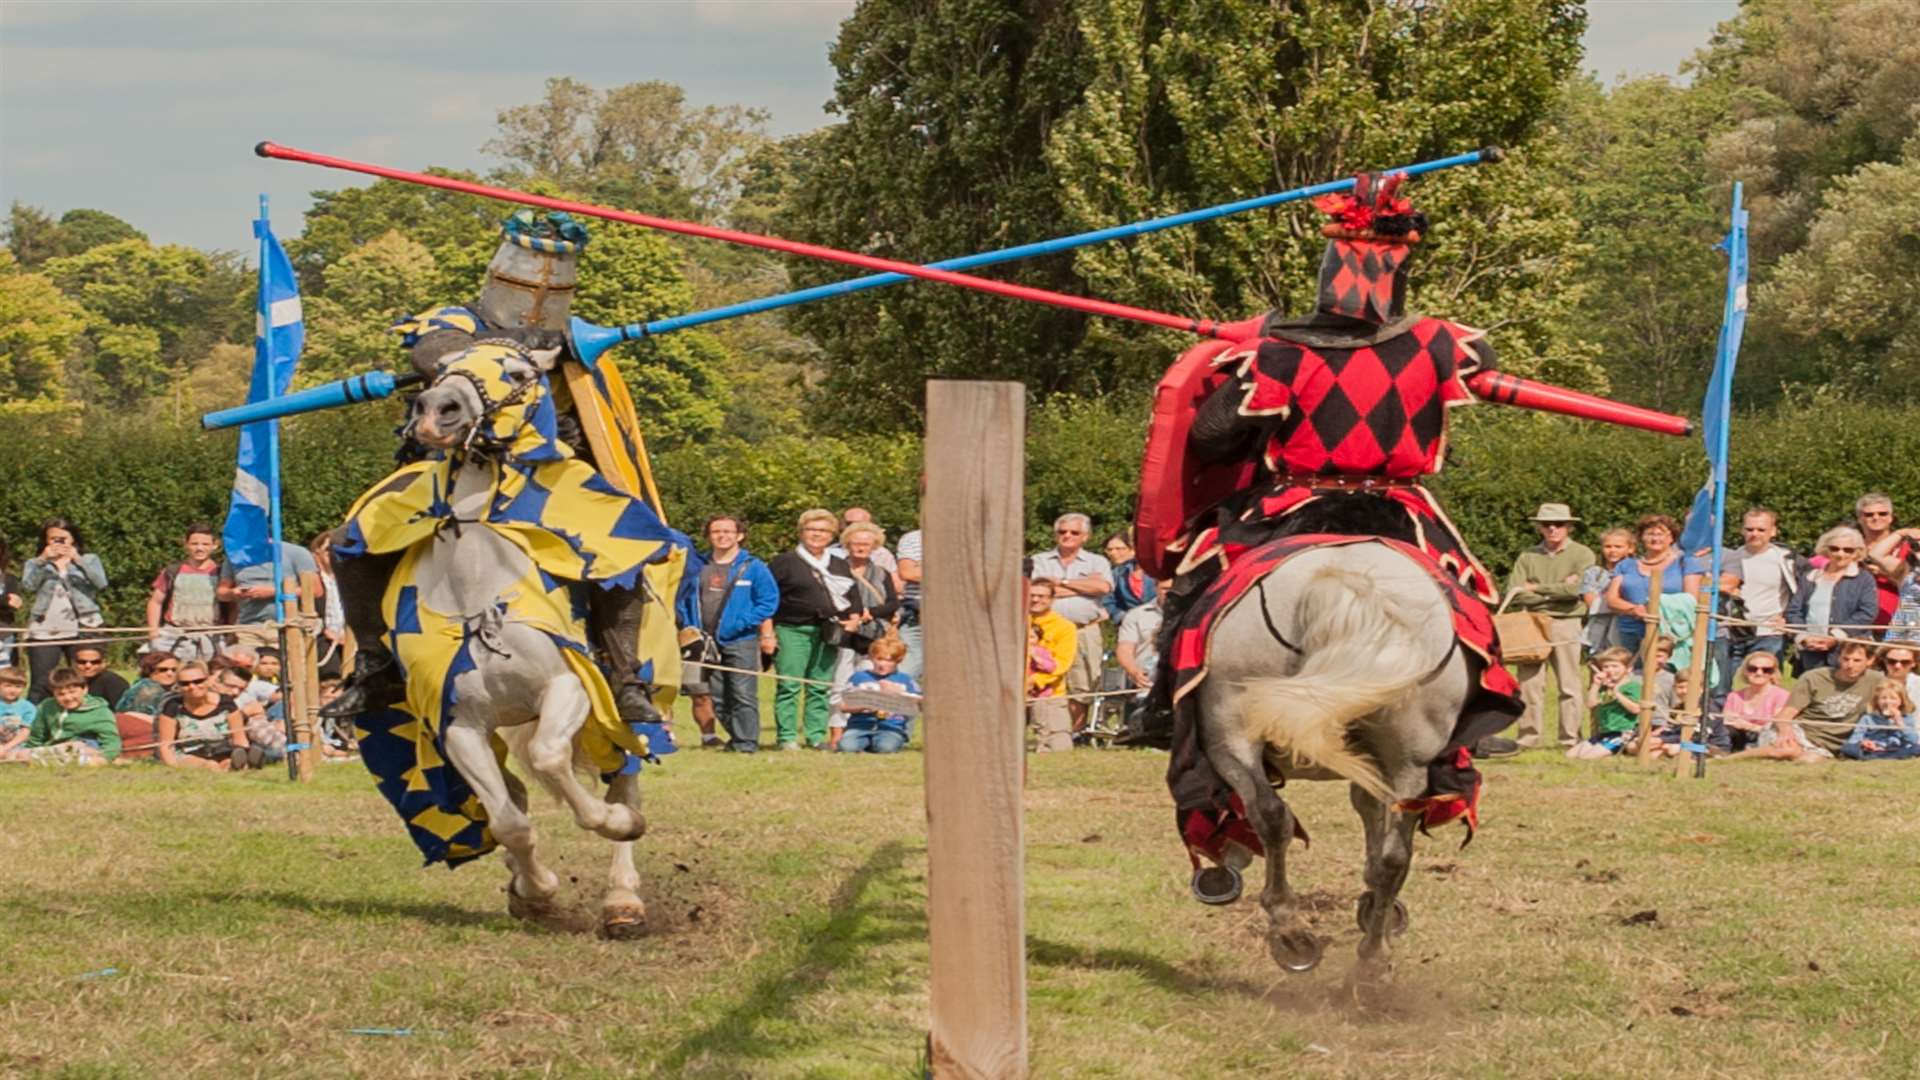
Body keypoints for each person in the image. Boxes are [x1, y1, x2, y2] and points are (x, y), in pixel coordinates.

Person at [321, 209, 683, 732]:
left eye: (549, 290)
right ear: (499, 276)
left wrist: (568, 360)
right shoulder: (455, 322)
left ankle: (625, 680)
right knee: (352, 540)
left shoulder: (580, 339)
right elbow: (434, 353)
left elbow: (597, 417)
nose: (534, 299)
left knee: (624, 542)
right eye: (523, 282)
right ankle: (377, 666)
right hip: (448, 472)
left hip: (545, 476)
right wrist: (516, 355)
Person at [675, 515, 779, 753]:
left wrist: (741, 624)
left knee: (743, 694)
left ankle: (746, 744)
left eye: (728, 531)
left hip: (740, 640)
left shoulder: (753, 567)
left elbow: (768, 602)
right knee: (718, 696)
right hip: (704, 641)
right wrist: (689, 626)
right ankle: (737, 736)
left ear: (739, 535)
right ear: (709, 536)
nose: (722, 536)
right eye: (716, 531)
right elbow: (682, 599)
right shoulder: (697, 566)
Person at [767, 509, 867, 751]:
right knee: (790, 685)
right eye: (812, 530)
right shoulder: (784, 562)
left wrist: (853, 621)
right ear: (801, 532)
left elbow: (852, 596)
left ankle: (815, 735)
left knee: (820, 685)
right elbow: (768, 600)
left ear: (832, 535)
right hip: (793, 629)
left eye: (823, 531)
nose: (817, 535)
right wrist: (767, 633)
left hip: (829, 632)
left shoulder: (838, 564)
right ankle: (787, 737)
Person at [1505, 503, 1596, 749]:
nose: (1553, 529)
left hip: (1567, 622)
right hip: (1532, 623)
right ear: (1539, 527)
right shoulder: (1527, 556)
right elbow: (1515, 592)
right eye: (1547, 524)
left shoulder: (1582, 554)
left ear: (1569, 526)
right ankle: (1528, 738)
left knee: (1569, 683)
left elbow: (1577, 590)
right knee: (1530, 684)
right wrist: (1558, 590)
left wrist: (1536, 588)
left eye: (1559, 524)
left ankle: (1570, 739)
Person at [1029, 513, 1112, 734]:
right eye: (1062, 532)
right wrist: (1084, 585)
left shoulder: (1098, 561)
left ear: (1085, 536)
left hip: (1084, 630)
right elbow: (1036, 591)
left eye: (1074, 532)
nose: (1067, 536)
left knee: (1083, 682)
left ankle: (1075, 733)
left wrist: (1061, 583)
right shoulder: (1039, 560)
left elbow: (1103, 588)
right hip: (1043, 632)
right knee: (1045, 679)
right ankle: (1046, 731)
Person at [1745, 639, 1883, 762]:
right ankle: (1732, 758)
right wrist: (1785, 733)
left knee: (1810, 760)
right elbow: (1785, 714)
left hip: (1831, 744)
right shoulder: (1814, 678)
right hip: (1801, 731)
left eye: (1857, 660)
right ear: (1838, 658)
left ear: (1870, 661)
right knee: (1787, 750)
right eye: (1846, 659)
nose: (1850, 665)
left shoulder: (1876, 680)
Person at [827, 521, 901, 748]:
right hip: (845, 635)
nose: (860, 548)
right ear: (847, 545)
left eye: (866, 544)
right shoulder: (834, 569)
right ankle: (837, 733)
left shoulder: (881, 573)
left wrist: (870, 613)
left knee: (869, 683)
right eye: (856, 543)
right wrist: (852, 616)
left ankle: (866, 730)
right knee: (839, 684)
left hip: (873, 636)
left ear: (874, 547)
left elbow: (892, 602)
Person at [20, 518, 109, 702]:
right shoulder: (35, 563)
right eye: (53, 539)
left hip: (84, 625)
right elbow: (28, 586)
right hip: (45, 626)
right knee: (41, 681)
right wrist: (43, 559)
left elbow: (101, 583)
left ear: (73, 539)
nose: (59, 543)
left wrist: (77, 559)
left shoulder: (89, 559)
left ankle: (89, 717)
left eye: (63, 538)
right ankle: (34, 722)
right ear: (46, 541)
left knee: (86, 677)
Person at [1603, 514, 1706, 656]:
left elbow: (1690, 599)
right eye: (1650, 534)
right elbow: (1611, 600)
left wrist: (1658, 608)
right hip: (1631, 633)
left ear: (1671, 538)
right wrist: (1634, 609)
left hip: (1671, 634)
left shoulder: (1686, 562)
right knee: (1633, 675)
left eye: (1661, 534)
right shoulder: (1626, 565)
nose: (1655, 538)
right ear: (1641, 538)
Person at [1784, 526, 1879, 674]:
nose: (1840, 554)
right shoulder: (1810, 577)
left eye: (1848, 550)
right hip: (1812, 650)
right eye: (1835, 548)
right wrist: (1803, 637)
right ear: (1826, 550)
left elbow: (1867, 612)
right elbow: (1794, 610)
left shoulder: (1864, 579)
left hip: (1849, 651)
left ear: (1857, 553)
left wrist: (1836, 636)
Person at [155, 661, 262, 771]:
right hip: (187, 753)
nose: (192, 687)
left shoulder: (226, 704)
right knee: (210, 766)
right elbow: (165, 745)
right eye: (185, 683)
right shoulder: (173, 707)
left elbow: (239, 738)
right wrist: (173, 767)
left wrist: (243, 750)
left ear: (207, 680)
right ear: (178, 686)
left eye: (198, 681)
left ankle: (239, 765)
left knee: (227, 762)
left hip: (221, 751)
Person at [216, 539, 318, 653]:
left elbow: (315, 590)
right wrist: (233, 593)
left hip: (288, 627)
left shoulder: (296, 552)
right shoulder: (235, 556)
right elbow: (221, 593)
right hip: (249, 629)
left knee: (287, 669)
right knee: (248, 668)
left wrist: (273, 592)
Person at [4, 666, 118, 765]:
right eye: (60, 694)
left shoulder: (99, 711)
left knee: (78, 746)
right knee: (20, 755)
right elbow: (37, 734)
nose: (68, 698)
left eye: (72, 692)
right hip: (54, 746)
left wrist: (105, 758)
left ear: (85, 689)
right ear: (53, 693)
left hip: (84, 746)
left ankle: (80, 759)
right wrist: (29, 749)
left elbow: (111, 741)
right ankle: (43, 757)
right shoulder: (47, 706)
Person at [146, 524, 225, 663]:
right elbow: (155, 602)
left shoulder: (222, 573)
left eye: (205, 544)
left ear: (215, 545)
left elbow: (233, 606)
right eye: (194, 543)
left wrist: (231, 635)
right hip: (173, 634)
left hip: (212, 635)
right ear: (186, 545)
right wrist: (153, 632)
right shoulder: (172, 571)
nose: (199, 548)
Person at [838, 637, 919, 754]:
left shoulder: (905, 680)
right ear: (871, 658)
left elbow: (918, 705)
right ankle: (865, 743)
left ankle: (880, 744)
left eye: (889, 661)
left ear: (898, 661)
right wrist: (864, 706)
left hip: (891, 727)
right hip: (860, 726)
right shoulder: (859, 677)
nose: (883, 664)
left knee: (886, 748)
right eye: (879, 659)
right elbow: (843, 707)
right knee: (847, 747)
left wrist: (898, 693)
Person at [1026, 579, 1077, 754]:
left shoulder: (1065, 627)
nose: (1035, 600)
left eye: (1041, 596)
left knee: (1060, 749)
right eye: (1031, 595)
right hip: (1011, 692)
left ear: (1052, 599)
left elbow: (1062, 663)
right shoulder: (1012, 620)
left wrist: (1035, 681)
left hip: (1048, 693)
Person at [1568, 647, 1640, 760]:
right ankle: (1607, 750)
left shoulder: (1632, 687)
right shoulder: (1604, 687)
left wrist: (1617, 692)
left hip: (1622, 733)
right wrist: (1596, 685)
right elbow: (1591, 704)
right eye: (1606, 667)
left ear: (1628, 669)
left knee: (1587, 758)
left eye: (1615, 666)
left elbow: (1636, 709)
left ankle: (1617, 753)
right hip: (1604, 732)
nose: (1610, 670)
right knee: (1571, 755)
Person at [1113, 584, 1163, 737]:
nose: (1169, 592)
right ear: (1156, 587)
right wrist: (1133, 671)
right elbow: (1125, 649)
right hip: (1146, 682)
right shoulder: (1137, 615)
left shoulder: (1193, 612)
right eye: (1165, 588)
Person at [1852, 492, 1907, 628]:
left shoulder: (1908, 549)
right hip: (1854, 625)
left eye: (1882, 513)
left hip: (1897, 625)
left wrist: (1885, 575)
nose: (1876, 518)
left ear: (1891, 518)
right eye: (1869, 514)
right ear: (1860, 519)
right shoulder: (1847, 549)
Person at [1720, 651, 1789, 754]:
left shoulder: (1781, 696)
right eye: (1753, 669)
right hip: (1738, 737)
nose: (1759, 673)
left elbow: (1777, 728)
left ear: (1773, 674)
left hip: (1765, 737)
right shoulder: (1734, 696)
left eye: (1766, 670)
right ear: (1745, 671)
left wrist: (1749, 726)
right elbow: (1726, 721)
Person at [1581, 528, 1635, 655]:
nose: (1612, 551)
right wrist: (1618, 603)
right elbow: (1592, 603)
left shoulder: (1637, 570)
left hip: (1627, 626)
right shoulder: (1594, 572)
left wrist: (1610, 601)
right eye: (1608, 546)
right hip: (1600, 627)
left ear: (1630, 548)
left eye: (1618, 547)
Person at [1839, 680, 1920, 761]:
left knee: (1916, 748)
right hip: (1873, 749)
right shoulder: (1868, 718)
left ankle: (1887, 757)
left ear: (1901, 701)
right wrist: (1864, 743)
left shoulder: (1906, 718)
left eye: (1893, 698)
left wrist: (1900, 723)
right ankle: (1871, 756)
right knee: (1848, 748)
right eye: (1883, 698)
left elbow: (1913, 740)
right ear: (1877, 701)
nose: (1888, 702)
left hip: (1895, 749)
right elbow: (1854, 739)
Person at [1866, 524, 1920, 643]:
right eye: (1916, 548)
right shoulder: (1906, 571)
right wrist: (1901, 533)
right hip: (1899, 636)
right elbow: (1875, 554)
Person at [307, 531, 346, 678]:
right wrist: (328, 632)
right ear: (316, 553)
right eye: (328, 549)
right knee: (332, 677)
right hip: (321, 637)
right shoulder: (310, 579)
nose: (333, 553)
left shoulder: (348, 578)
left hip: (347, 637)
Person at [1102, 529, 1157, 624]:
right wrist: (1123, 617)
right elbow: (1108, 600)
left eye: (1119, 549)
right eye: (1109, 550)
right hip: (1132, 625)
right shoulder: (1117, 573)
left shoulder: (1159, 569)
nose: (1113, 553)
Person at [895, 527, 924, 680]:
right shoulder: (913, 538)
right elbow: (907, 573)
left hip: (959, 613)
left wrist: (921, 567)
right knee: (909, 664)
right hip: (917, 611)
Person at [71, 645, 129, 710]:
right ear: (73, 663)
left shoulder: (113, 682)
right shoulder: (67, 681)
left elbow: (124, 713)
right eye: (82, 662)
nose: (88, 666)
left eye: (95, 662)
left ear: (103, 663)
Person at [0, 539, 25, 671]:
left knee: (5, 677)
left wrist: (6, 602)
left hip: (4, 635)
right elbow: (8, 601)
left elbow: (13, 605)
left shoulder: (9, 579)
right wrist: (4, 600)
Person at [0, 666, 34, 755]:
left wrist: (6, 748)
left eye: (18, 687)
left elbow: (25, 732)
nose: (13, 690)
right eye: (8, 686)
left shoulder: (28, 707)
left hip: (17, 745)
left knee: (23, 755)